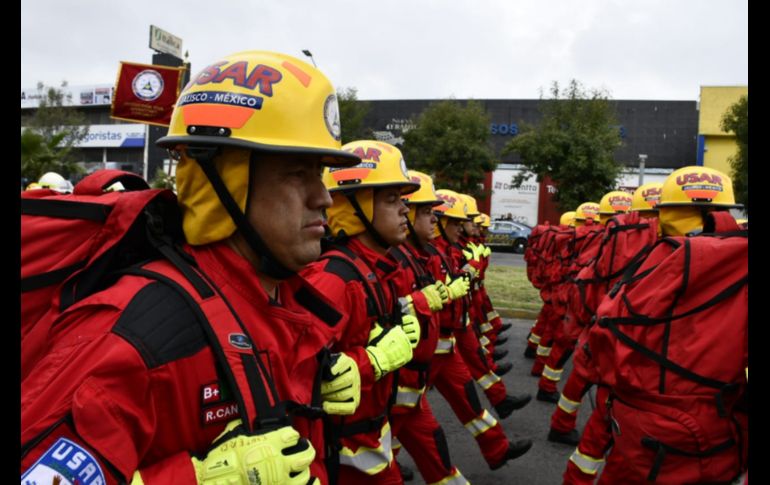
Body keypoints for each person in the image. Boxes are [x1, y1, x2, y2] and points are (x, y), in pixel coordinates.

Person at [22, 50, 363, 485]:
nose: (325, 197)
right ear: (223, 182)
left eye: (321, 173)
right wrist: (197, 479)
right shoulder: (136, 332)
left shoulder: (284, 303)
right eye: (298, 173)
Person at [302, 139, 422, 484]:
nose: (405, 210)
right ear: (353, 206)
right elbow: (300, 378)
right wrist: (376, 359)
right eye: (391, 199)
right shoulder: (334, 280)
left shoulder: (376, 270)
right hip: (343, 456)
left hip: (369, 441)